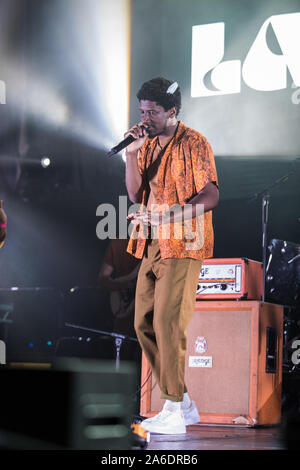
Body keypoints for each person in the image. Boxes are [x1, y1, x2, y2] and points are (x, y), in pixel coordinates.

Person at [124, 77, 219, 434]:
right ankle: (184, 403)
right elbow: (135, 195)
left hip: (184, 242)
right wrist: (131, 155)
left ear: (172, 111)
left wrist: (168, 215)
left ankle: (174, 409)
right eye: (142, 111)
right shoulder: (144, 145)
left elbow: (210, 195)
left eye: (153, 112)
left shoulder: (194, 143)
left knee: (168, 322)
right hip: (151, 242)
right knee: (142, 323)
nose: (145, 118)